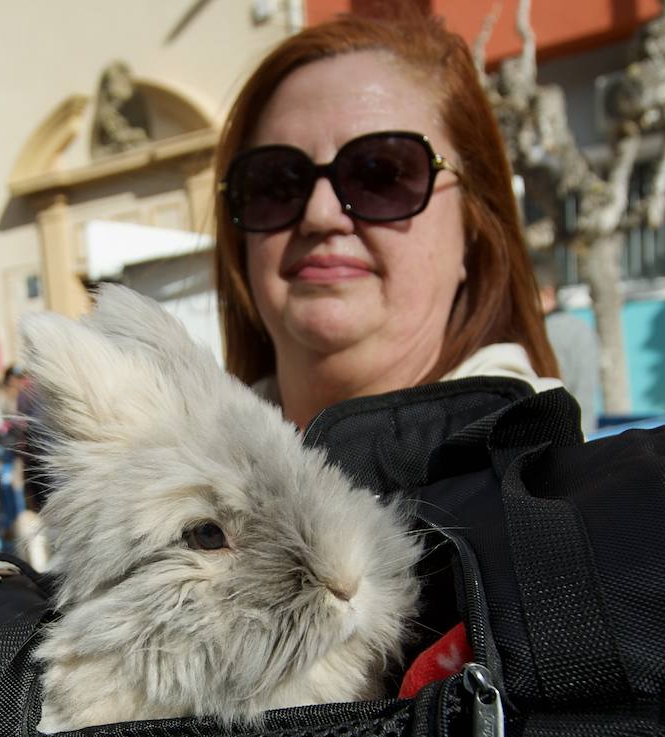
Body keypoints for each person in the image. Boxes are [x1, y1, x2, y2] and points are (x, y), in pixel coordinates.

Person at [213, 16, 558, 433]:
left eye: (382, 174)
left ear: (473, 226)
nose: (320, 215)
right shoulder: (163, 469)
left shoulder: (555, 482)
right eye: (276, 182)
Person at [539, 269, 601, 438]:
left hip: (557, 443)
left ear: (547, 294)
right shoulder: (581, 327)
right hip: (584, 436)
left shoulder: (544, 335)